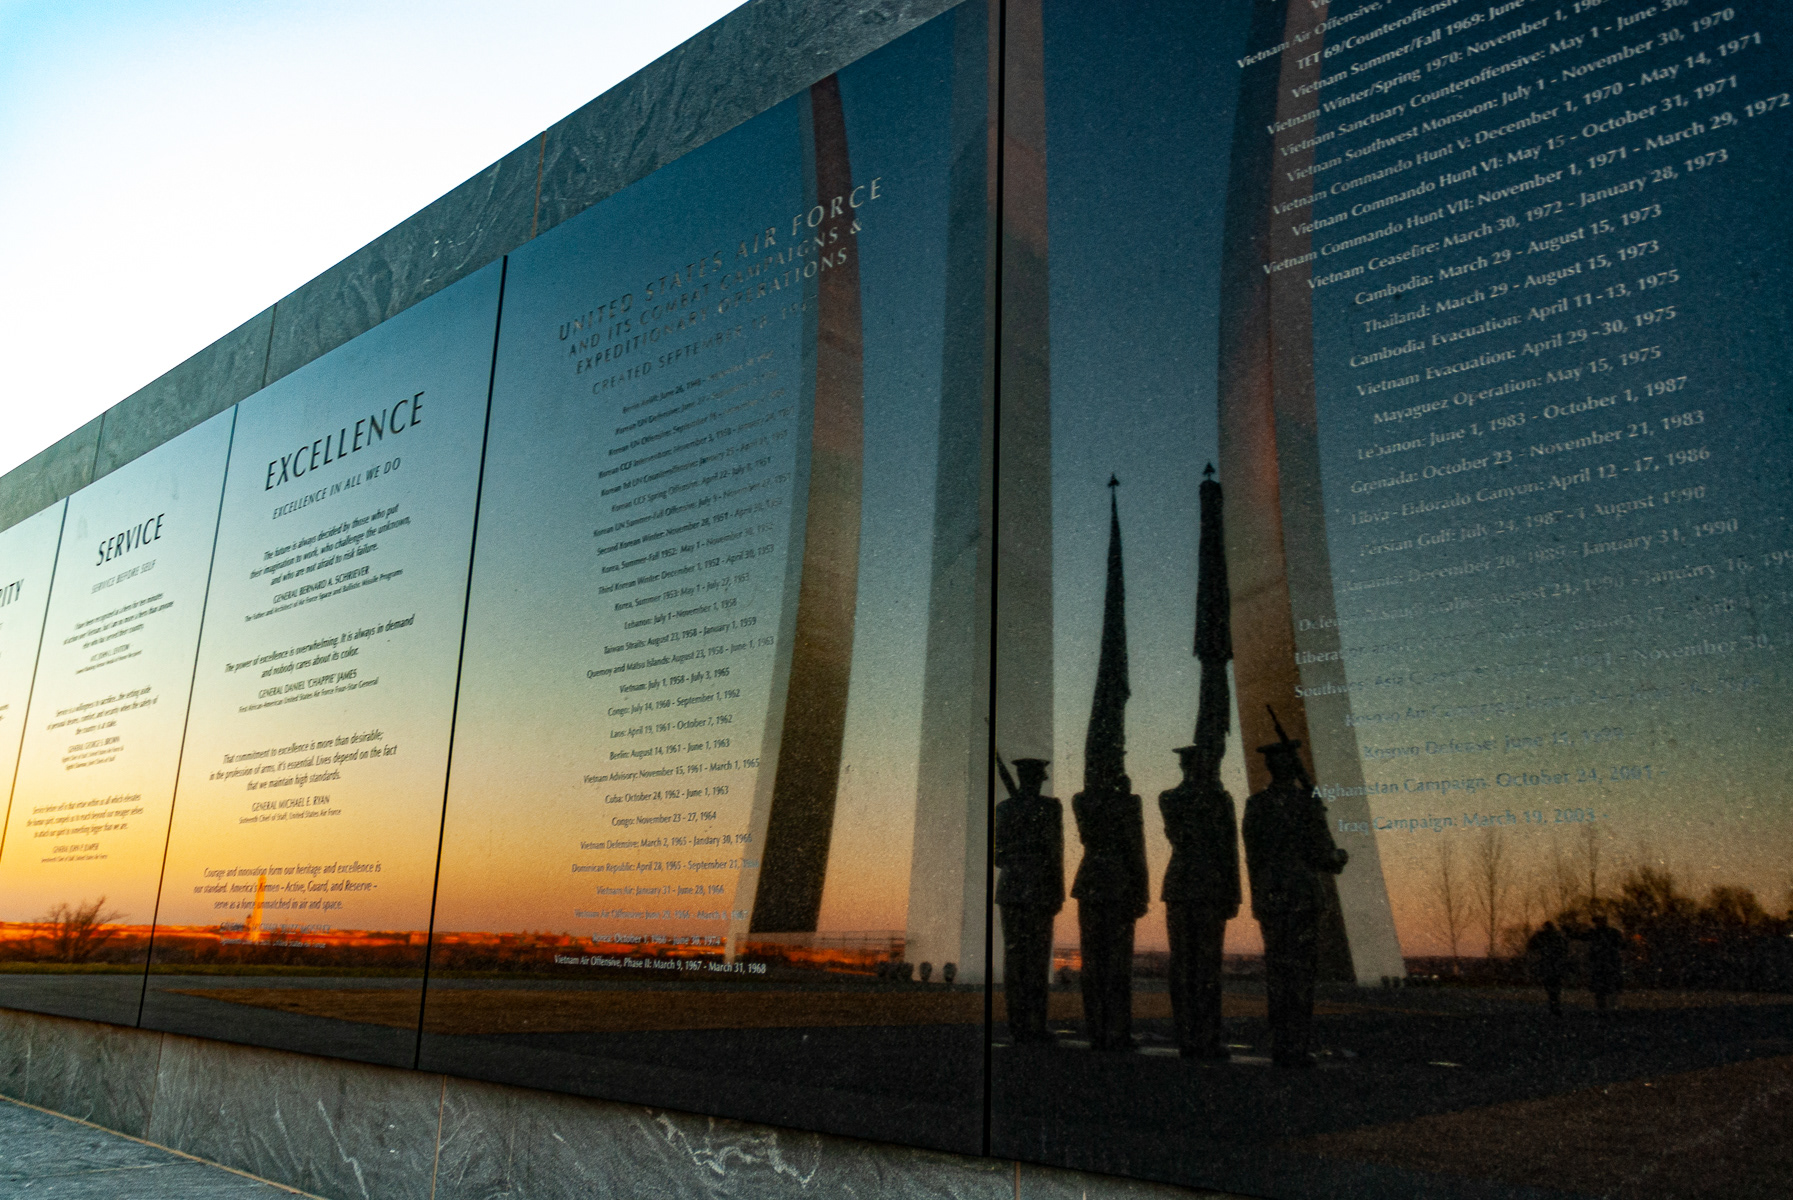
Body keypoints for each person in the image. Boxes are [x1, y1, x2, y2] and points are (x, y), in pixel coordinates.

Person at [1241, 715, 1347, 1068]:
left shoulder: (1256, 805)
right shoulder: (1306, 804)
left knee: (1278, 975)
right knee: (1300, 975)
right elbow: (1323, 856)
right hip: (1302, 895)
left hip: (1272, 896)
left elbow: (1253, 858)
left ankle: (1280, 1045)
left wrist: (1259, 898)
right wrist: (1338, 856)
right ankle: (1297, 1047)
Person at [1160, 743, 1240, 1058]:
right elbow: (1229, 849)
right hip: (1209, 886)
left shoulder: (1169, 797)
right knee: (1206, 966)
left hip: (1180, 884)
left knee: (1183, 964)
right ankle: (1205, 1036)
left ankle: (1187, 1036)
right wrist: (1234, 894)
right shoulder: (1218, 799)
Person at [1072, 775, 1149, 1050]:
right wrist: (1142, 893)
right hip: (1118, 883)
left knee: (1093, 961)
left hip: (1090, 881)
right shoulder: (1126, 802)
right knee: (1117, 962)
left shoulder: (1082, 800)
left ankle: (1097, 1029)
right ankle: (1116, 1030)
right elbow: (1135, 849)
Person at [994, 757, 1063, 1043]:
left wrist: (1017, 852)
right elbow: (1055, 851)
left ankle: (1017, 1025)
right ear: (1040, 779)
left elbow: (999, 856)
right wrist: (1057, 891)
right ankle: (1035, 1024)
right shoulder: (1050, 807)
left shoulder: (1005, 809)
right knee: (1035, 959)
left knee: (1015, 959)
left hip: (1010, 887)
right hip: (1039, 887)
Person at [1575, 913, 1625, 1010]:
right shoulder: (1606, 933)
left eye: (1598, 921)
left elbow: (1621, 945)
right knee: (1604, 989)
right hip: (1604, 964)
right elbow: (1581, 936)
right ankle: (1605, 1008)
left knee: (1607, 988)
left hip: (1606, 964)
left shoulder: (1603, 933)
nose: (1597, 924)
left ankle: (1609, 1008)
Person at [1527, 920, 1571, 1015]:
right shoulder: (1556, 936)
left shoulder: (1543, 936)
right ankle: (1555, 1005)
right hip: (1554, 964)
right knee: (1555, 987)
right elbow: (1564, 948)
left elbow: (1531, 946)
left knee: (1551, 987)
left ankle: (1553, 1005)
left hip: (1549, 964)